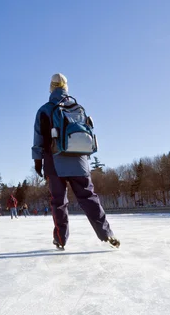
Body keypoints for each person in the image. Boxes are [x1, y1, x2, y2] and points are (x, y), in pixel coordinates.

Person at [32, 73, 120, 250]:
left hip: (55, 162)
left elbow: (39, 138)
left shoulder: (45, 109)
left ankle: (61, 239)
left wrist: (38, 162)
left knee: (59, 202)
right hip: (80, 161)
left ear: (51, 87)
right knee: (89, 197)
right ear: (66, 87)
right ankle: (107, 233)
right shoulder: (77, 107)